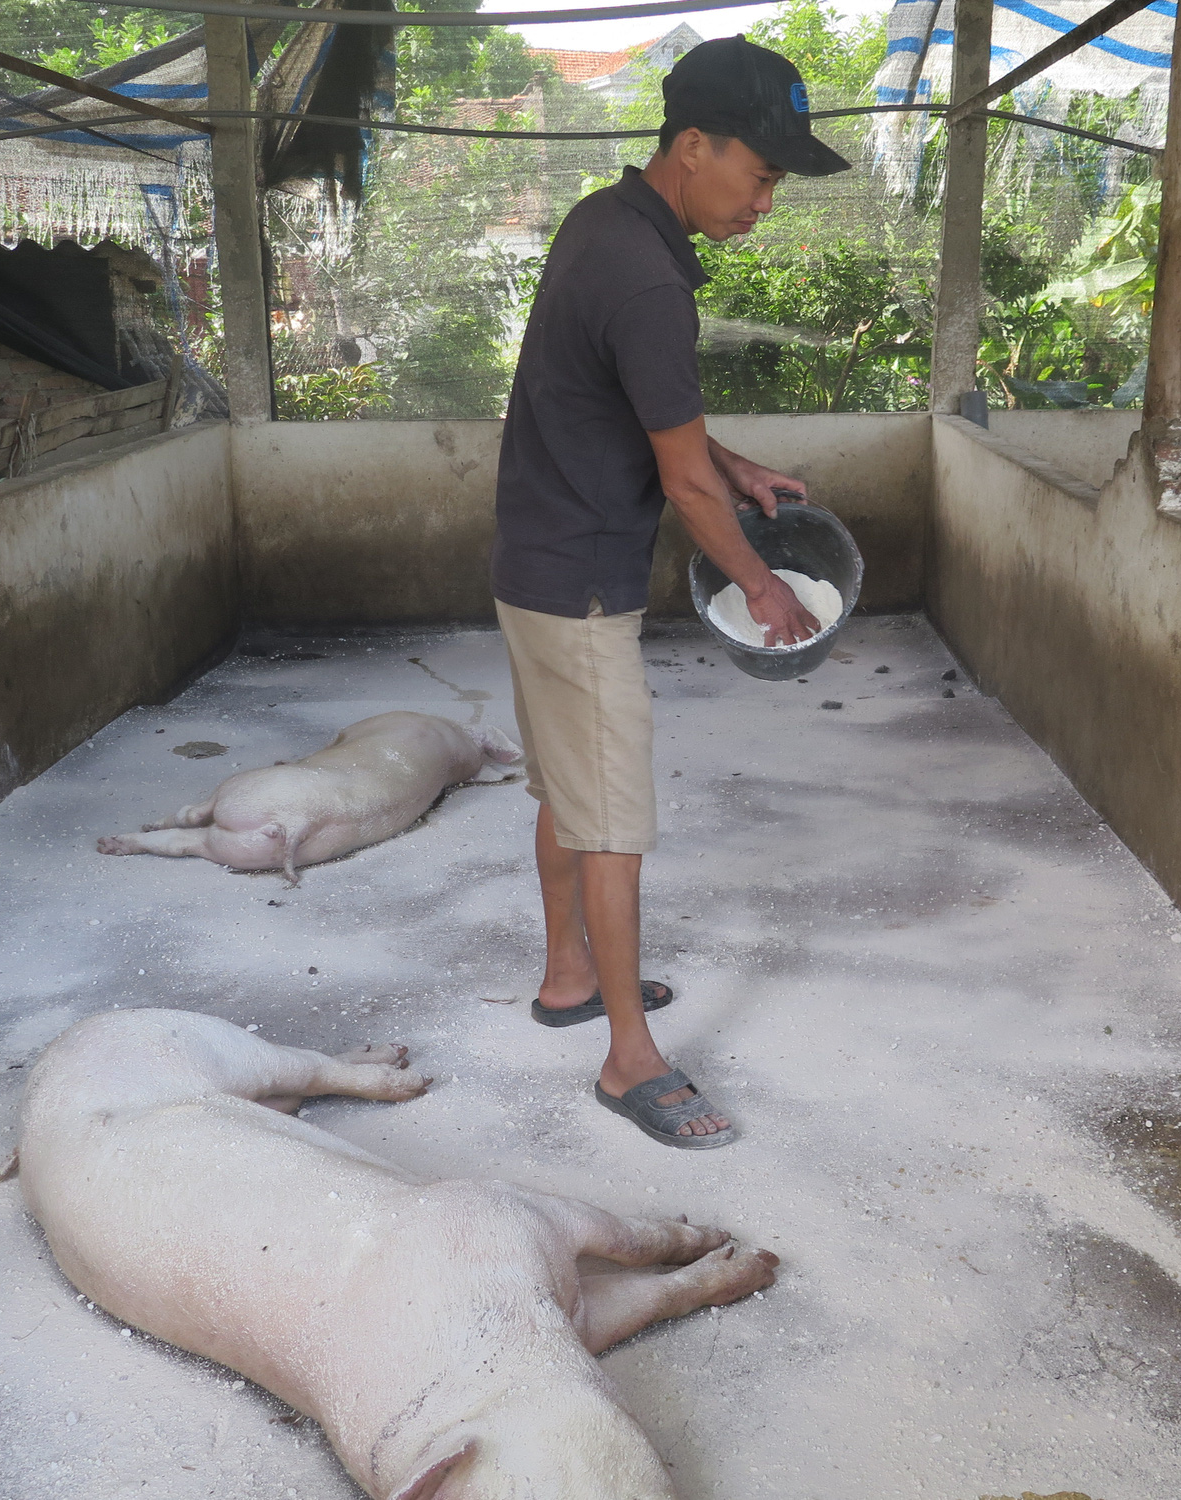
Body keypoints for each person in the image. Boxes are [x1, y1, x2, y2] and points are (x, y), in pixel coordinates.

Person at [489, 36, 850, 1150]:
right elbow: (678, 476)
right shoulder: (646, 277)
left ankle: (566, 978)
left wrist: (735, 468)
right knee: (613, 820)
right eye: (761, 172)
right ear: (692, 146)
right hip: (581, 581)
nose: (767, 200)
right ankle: (626, 1061)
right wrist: (764, 589)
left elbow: (652, 424)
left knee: (566, 784)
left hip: (535, 563)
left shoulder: (605, 222)